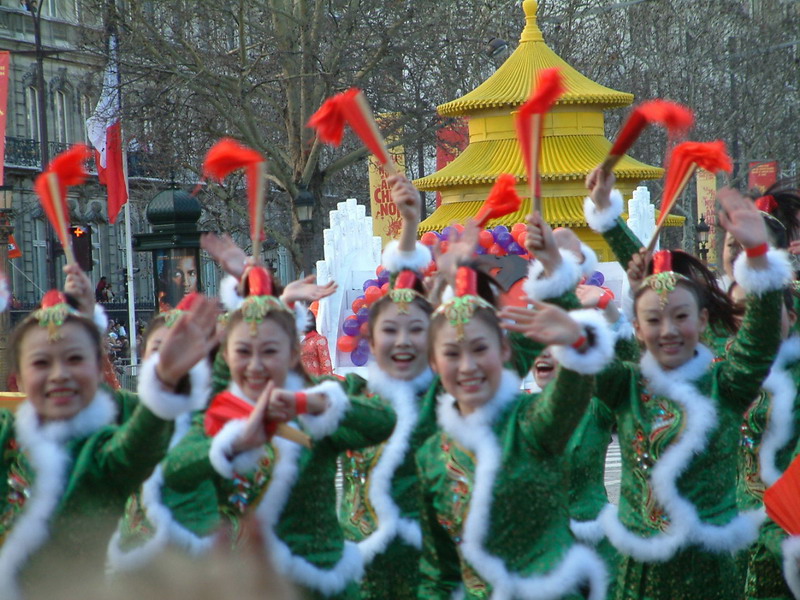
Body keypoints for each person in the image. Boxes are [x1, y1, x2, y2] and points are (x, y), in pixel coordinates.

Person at [581, 166, 792, 599]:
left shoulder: (735, 378)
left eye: (681, 318)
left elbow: (761, 334)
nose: (669, 330)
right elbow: (651, 296)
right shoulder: (638, 382)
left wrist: (759, 256)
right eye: (731, 244)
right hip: (643, 572)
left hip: (755, 535)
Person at [160, 265, 396, 599]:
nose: (255, 365)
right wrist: (232, 444)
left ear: (291, 353)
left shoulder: (313, 402)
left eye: (269, 351)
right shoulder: (218, 413)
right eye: (243, 352)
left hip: (320, 580)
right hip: (247, 583)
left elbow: (384, 422)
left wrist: (316, 405)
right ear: (226, 356)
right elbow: (175, 470)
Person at [0, 286, 218, 598]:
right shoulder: (6, 434)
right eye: (41, 363)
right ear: (17, 375)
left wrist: (166, 382)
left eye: (75, 359)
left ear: (97, 369)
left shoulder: (101, 451)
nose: (59, 374)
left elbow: (138, 446)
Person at [416, 263, 614, 599]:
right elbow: (439, 572)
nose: (468, 366)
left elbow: (569, 396)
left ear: (505, 351)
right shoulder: (431, 455)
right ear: (434, 364)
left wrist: (577, 340)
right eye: (452, 353)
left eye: (480, 349)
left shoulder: (531, 422)